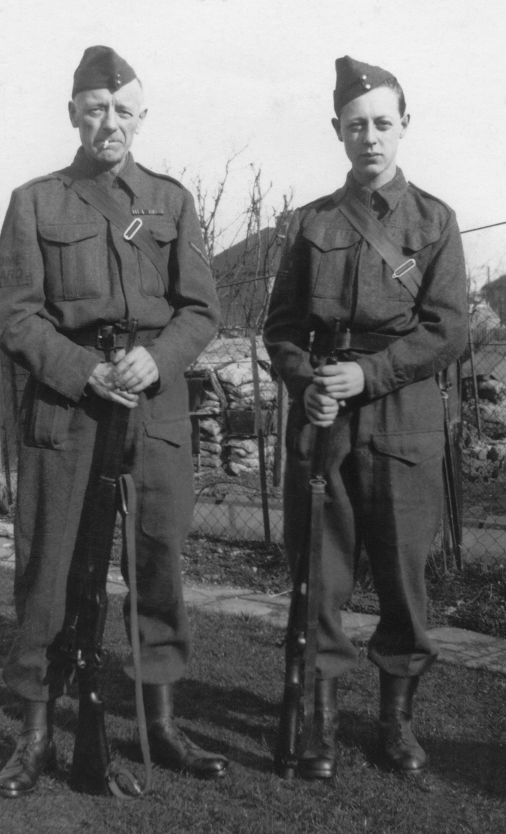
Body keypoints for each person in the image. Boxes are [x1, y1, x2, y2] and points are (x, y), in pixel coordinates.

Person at [0, 45, 228, 797]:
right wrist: (81, 367)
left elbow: (201, 311)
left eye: (124, 109)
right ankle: (33, 738)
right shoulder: (36, 201)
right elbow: (16, 315)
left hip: (153, 410)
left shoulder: (172, 200)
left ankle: (159, 724)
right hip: (68, 413)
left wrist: (158, 358)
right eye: (96, 109)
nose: (110, 123)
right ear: (73, 114)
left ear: (141, 117)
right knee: (48, 571)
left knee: (157, 567)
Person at [264, 56, 467, 779]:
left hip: (405, 419)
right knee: (320, 575)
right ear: (338, 133)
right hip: (325, 419)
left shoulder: (436, 222)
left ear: (404, 126)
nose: (371, 137)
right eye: (357, 126)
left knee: (405, 579)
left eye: (383, 123)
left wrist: (369, 373)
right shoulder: (311, 221)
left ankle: (396, 721)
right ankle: (316, 720)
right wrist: (306, 380)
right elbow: (282, 327)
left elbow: (447, 330)